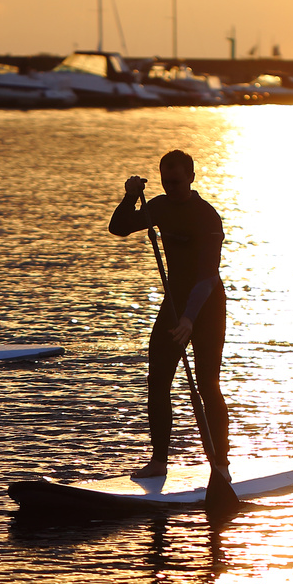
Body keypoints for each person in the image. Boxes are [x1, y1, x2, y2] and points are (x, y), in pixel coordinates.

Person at [108, 150, 229, 480]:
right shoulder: (159, 206)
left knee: (207, 384)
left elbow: (206, 277)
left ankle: (221, 465)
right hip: (174, 306)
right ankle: (159, 461)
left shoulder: (207, 217)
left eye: (176, 181)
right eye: (166, 181)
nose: (171, 187)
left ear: (191, 177)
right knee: (158, 380)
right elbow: (118, 228)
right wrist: (130, 197)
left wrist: (189, 319)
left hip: (206, 307)